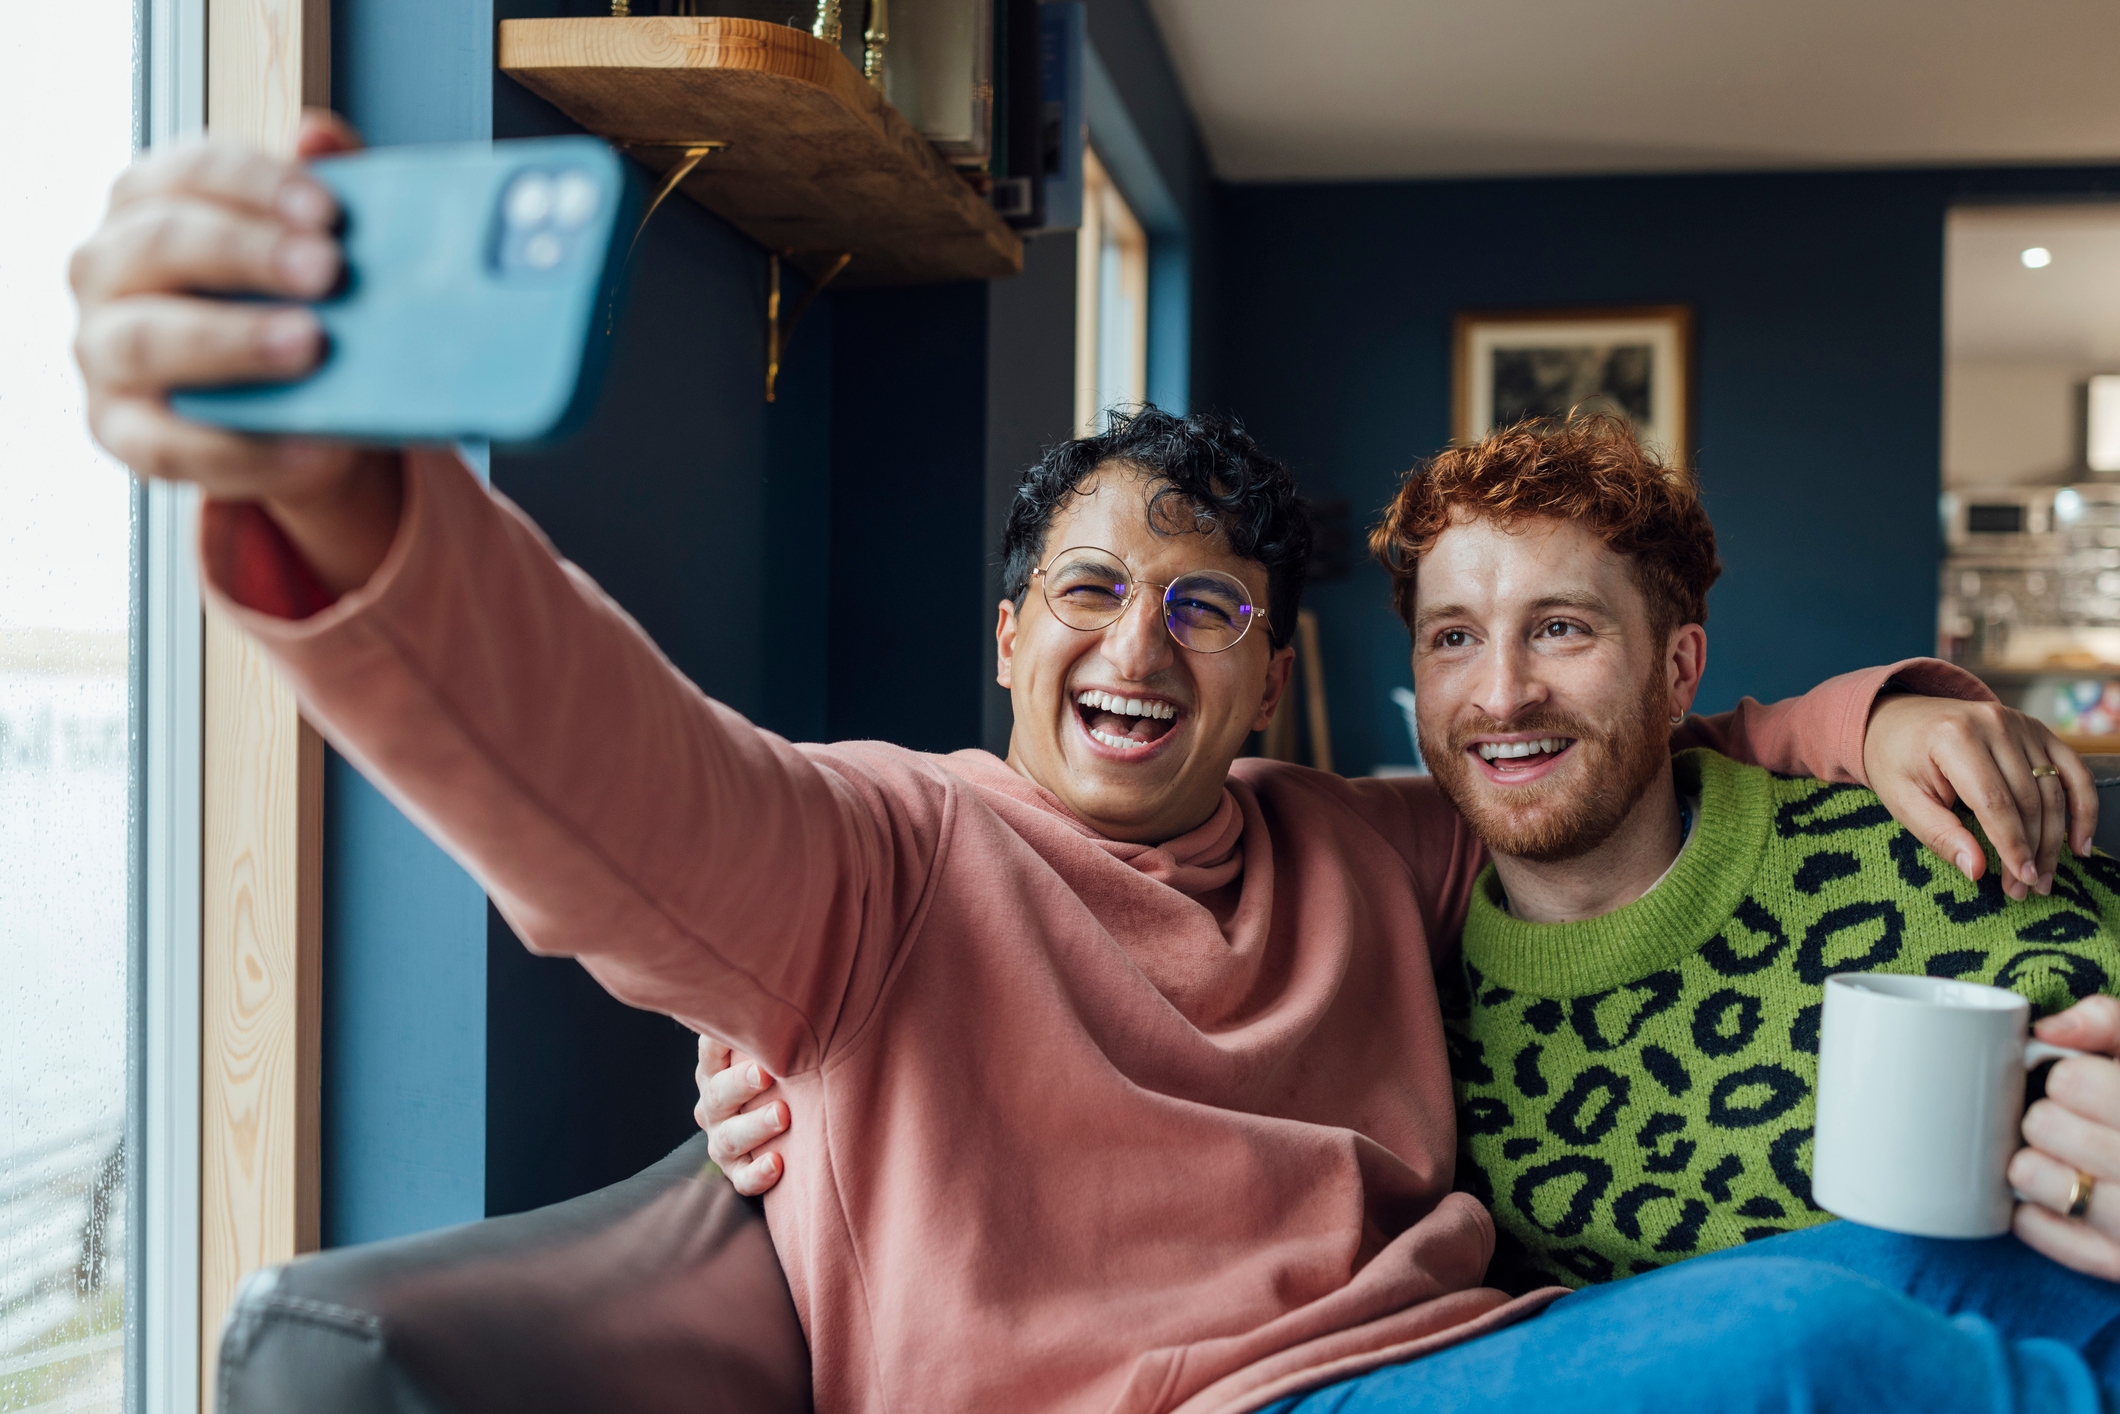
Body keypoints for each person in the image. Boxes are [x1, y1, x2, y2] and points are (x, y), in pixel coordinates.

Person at [66, 113, 2118, 1414]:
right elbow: (601, 790)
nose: (1138, 641)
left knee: (1927, 1247)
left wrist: (1893, 709)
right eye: (1085, 590)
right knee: (1820, 1341)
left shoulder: (1366, 847)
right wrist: (348, 509)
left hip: (1471, 1356)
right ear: (1006, 635)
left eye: (1206, 607)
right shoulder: (868, 856)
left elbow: (1622, 746)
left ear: (1269, 677)